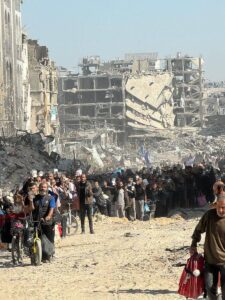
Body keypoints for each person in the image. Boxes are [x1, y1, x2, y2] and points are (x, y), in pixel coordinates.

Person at [190, 192, 225, 299]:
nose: (220, 210)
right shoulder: (209, 215)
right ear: (215, 205)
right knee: (210, 289)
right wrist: (193, 244)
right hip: (210, 260)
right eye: (218, 207)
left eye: (223, 208)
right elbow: (198, 229)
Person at [33, 182, 56, 262]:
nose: (43, 188)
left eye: (45, 187)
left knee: (49, 238)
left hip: (47, 222)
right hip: (36, 221)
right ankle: (40, 256)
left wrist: (49, 216)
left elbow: (52, 208)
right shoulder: (35, 198)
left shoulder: (51, 198)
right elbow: (31, 208)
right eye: (42, 187)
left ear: (47, 188)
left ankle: (49, 255)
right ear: (39, 188)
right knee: (37, 238)